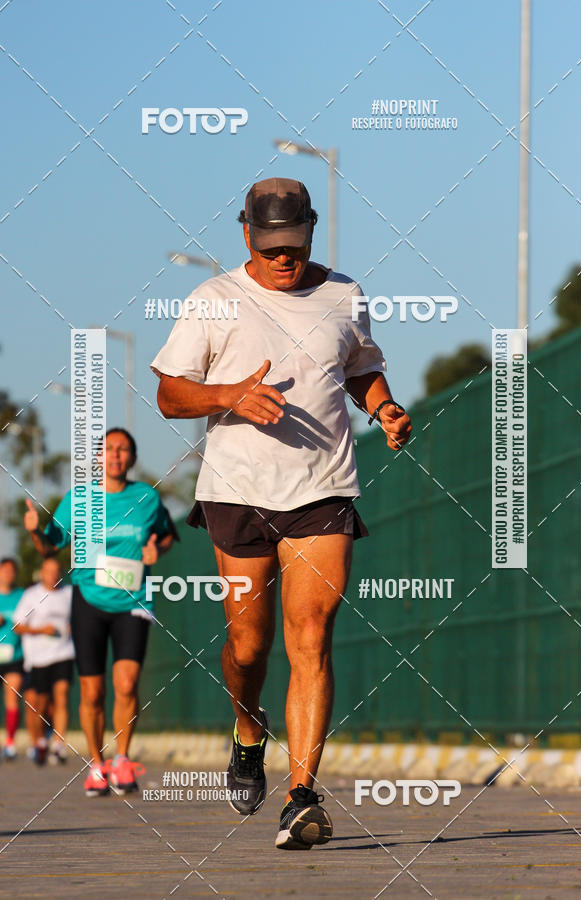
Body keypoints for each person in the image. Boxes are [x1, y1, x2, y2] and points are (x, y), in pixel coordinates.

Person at [151, 178, 412, 849]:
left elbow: (359, 368)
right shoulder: (212, 301)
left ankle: (301, 797)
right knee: (247, 647)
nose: (283, 258)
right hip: (236, 491)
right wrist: (232, 395)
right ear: (246, 235)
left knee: (311, 634)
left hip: (323, 490)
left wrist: (381, 407)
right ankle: (246, 726)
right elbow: (170, 396)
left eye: (293, 244)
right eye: (269, 246)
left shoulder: (344, 294)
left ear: (311, 231)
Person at [24, 427, 177, 796]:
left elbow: (167, 534)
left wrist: (159, 549)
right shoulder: (78, 499)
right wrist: (34, 532)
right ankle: (97, 763)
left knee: (126, 684)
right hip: (88, 600)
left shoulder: (146, 497)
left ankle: (122, 759)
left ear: (133, 458)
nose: (116, 455)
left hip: (133, 600)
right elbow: (50, 547)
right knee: (92, 693)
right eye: (109, 449)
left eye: (124, 449)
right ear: (98, 458)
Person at [13, 557, 74, 765]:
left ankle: (58, 745)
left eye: (57, 570)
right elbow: (18, 626)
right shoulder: (32, 595)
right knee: (39, 703)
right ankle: (39, 742)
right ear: (42, 572)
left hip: (64, 652)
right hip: (38, 658)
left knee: (62, 694)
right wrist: (41, 630)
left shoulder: (69, 593)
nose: (53, 575)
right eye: (49, 571)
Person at [0, 557, 25, 759]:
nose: (8, 574)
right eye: (4, 570)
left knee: (12, 696)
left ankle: (10, 742)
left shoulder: (22, 596)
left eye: (11, 570)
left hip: (15, 656)